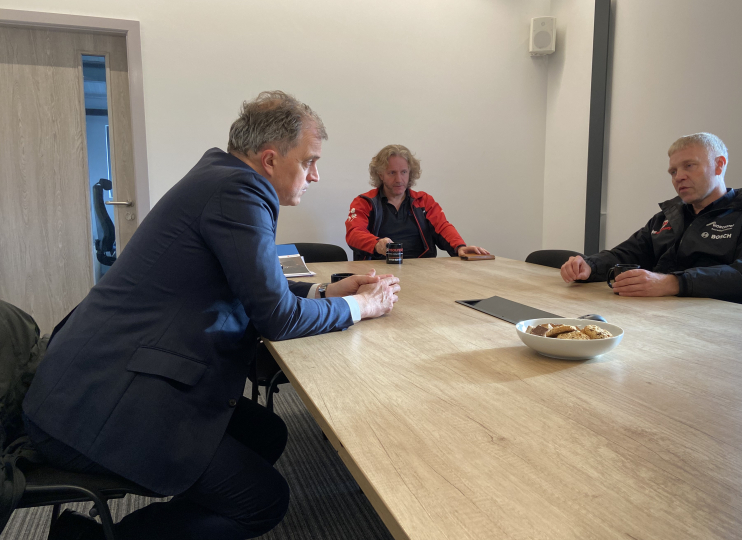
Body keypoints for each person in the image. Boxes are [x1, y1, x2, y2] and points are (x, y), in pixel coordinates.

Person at [21, 91, 400, 540]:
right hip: (102, 402)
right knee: (264, 500)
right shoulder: (239, 190)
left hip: (105, 374)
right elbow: (276, 317)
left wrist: (324, 290)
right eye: (310, 161)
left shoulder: (221, 176)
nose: (316, 176)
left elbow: (250, 286)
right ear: (271, 159)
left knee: (265, 435)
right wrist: (360, 306)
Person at [560, 132, 742, 307]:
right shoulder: (667, 218)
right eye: (673, 172)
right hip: (662, 320)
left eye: (689, 166)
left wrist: (671, 283)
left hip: (728, 332)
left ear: (719, 165)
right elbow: (626, 254)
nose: (679, 177)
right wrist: (589, 266)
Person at [346, 144, 490, 260]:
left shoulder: (424, 201)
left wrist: (460, 247)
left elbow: (442, 227)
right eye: (392, 173)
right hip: (377, 271)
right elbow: (354, 234)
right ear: (380, 175)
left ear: (410, 173)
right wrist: (377, 244)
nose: (399, 179)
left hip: (422, 269)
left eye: (403, 172)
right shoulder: (364, 202)